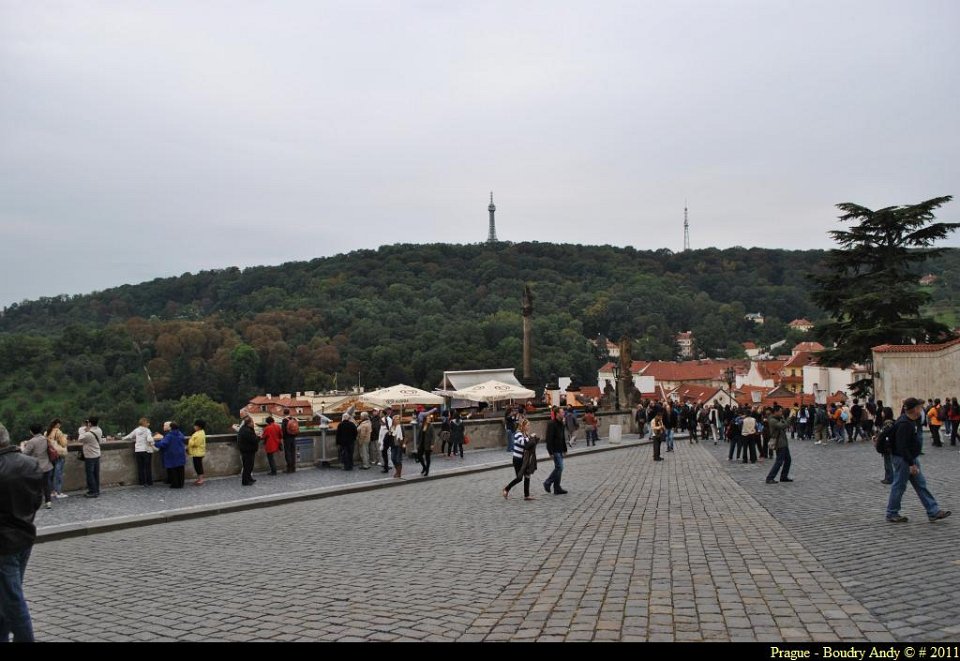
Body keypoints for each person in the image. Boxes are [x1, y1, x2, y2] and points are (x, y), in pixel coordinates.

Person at [0, 423, 44, 642]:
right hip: (24, 536)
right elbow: (36, 501)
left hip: (3, 545)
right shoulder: (30, 464)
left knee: (12, 601)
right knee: (6, 597)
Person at [886, 397, 952, 523]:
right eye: (919, 407)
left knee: (921, 485)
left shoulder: (910, 421)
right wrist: (911, 464)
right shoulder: (904, 424)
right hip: (903, 460)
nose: (921, 410)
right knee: (899, 486)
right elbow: (902, 446)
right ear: (915, 409)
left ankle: (933, 511)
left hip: (910, 458)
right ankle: (892, 512)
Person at [20, 424, 53, 510]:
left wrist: (23, 445)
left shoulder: (32, 441)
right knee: (46, 485)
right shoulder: (45, 439)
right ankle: (48, 502)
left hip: (36, 467)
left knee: (36, 486)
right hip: (47, 465)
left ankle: (36, 503)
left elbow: (24, 453)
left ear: (31, 431)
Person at [502, 419, 536, 500]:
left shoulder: (526, 435)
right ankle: (506, 488)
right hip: (517, 459)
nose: (529, 427)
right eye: (527, 425)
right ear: (523, 426)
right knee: (519, 478)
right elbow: (522, 442)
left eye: (529, 425)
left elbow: (528, 444)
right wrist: (531, 437)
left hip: (525, 459)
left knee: (527, 475)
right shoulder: (518, 434)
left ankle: (526, 495)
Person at [123, 417, 155, 487]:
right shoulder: (147, 430)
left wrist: (123, 438)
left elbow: (129, 436)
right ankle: (148, 481)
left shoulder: (136, 430)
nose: (149, 424)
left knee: (140, 467)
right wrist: (152, 443)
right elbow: (149, 439)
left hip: (138, 450)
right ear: (145, 423)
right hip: (146, 450)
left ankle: (142, 481)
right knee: (147, 467)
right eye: (148, 422)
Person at [543, 407, 568, 494]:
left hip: (560, 449)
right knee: (559, 467)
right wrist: (550, 451)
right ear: (557, 413)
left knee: (559, 469)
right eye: (562, 412)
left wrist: (565, 449)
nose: (563, 414)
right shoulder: (551, 424)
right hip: (555, 449)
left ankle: (557, 488)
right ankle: (548, 482)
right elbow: (548, 439)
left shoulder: (561, 423)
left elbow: (563, 437)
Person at [154, 422, 187, 489]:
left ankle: (175, 484)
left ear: (171, 428)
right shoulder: (180, 434)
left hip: (172, 454)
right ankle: (181, 484)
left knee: (173, 470)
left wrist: (155, 443)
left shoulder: (169, 435)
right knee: (180, 469)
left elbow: (163, 444)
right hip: (180, 453)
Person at [765, 406, 792, 484]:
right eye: (780, 411)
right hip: (779, 443)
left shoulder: (779, 418)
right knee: (779, 461)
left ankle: (783, 476)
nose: (781, 413)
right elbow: (782, 426)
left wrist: (784, 419)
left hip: (784, 442)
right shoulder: (772, 420)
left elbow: (784, 424)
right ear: (775, 412)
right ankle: (770, 477)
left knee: (788, 460)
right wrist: (789, 418)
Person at [78, 417, 103, 498]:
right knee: (96, 473)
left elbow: (80, 439)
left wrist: (82, 430)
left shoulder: (88, 434)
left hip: (90, 455)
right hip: (97, 454)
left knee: (90, 474)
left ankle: (92, 491)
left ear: (90, 423)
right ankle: (97, 490)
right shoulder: (99, 430)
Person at [45, 419, 69, 499]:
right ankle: (58, 492)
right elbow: (64, 443)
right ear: (57, 424)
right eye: (60, 424)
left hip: (51, 454)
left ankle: (52, 491)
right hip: (59, 454)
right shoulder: (58, 432)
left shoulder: (46, 432)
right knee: (58, 474)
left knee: (51, 474)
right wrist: (65, 437)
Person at [237, 415, 259, 486]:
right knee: (247, 466)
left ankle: (249, 478)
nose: (253, 423)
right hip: (248, 451)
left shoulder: (245, 429)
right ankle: (245, 481)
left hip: (247, 450)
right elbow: (254, 440)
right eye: (252, 422)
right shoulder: (247, 431)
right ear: (249, 423)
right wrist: (258, 437)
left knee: (249, 466)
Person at [187, 420, 206, 486]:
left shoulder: (199, 434)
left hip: (198, 453)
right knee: (197, 466)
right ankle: (199, 479)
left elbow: (195, 444)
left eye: (195, 425)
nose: (194, 427)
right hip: (197, 452)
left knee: (198, 466)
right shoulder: (200, 433)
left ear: (199, 426)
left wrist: (190, 440)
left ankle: (201, 479)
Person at [418, 413, 436, 477]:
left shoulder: (431, 426)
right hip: (421, 443)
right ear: (425, 419)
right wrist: (418, 442)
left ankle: (427, 470)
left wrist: (432, 444)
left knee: (427, 458)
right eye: (428, 418)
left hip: (428, 444)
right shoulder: (421, 425)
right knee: (419, 456)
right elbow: (419, 434)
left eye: (430, 419)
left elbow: (433, 436)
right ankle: (424, 467)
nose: (429, 419)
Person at [281, 409, 298, 473]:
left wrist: (283, 437)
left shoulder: (285, 420)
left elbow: (283, 430)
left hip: (287, 438)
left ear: (284, 413)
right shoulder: (293, 419)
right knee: (293, 452)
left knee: (288, 453)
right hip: (293, 438)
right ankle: (293, 468)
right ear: (289, 412)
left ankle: (289, 468)